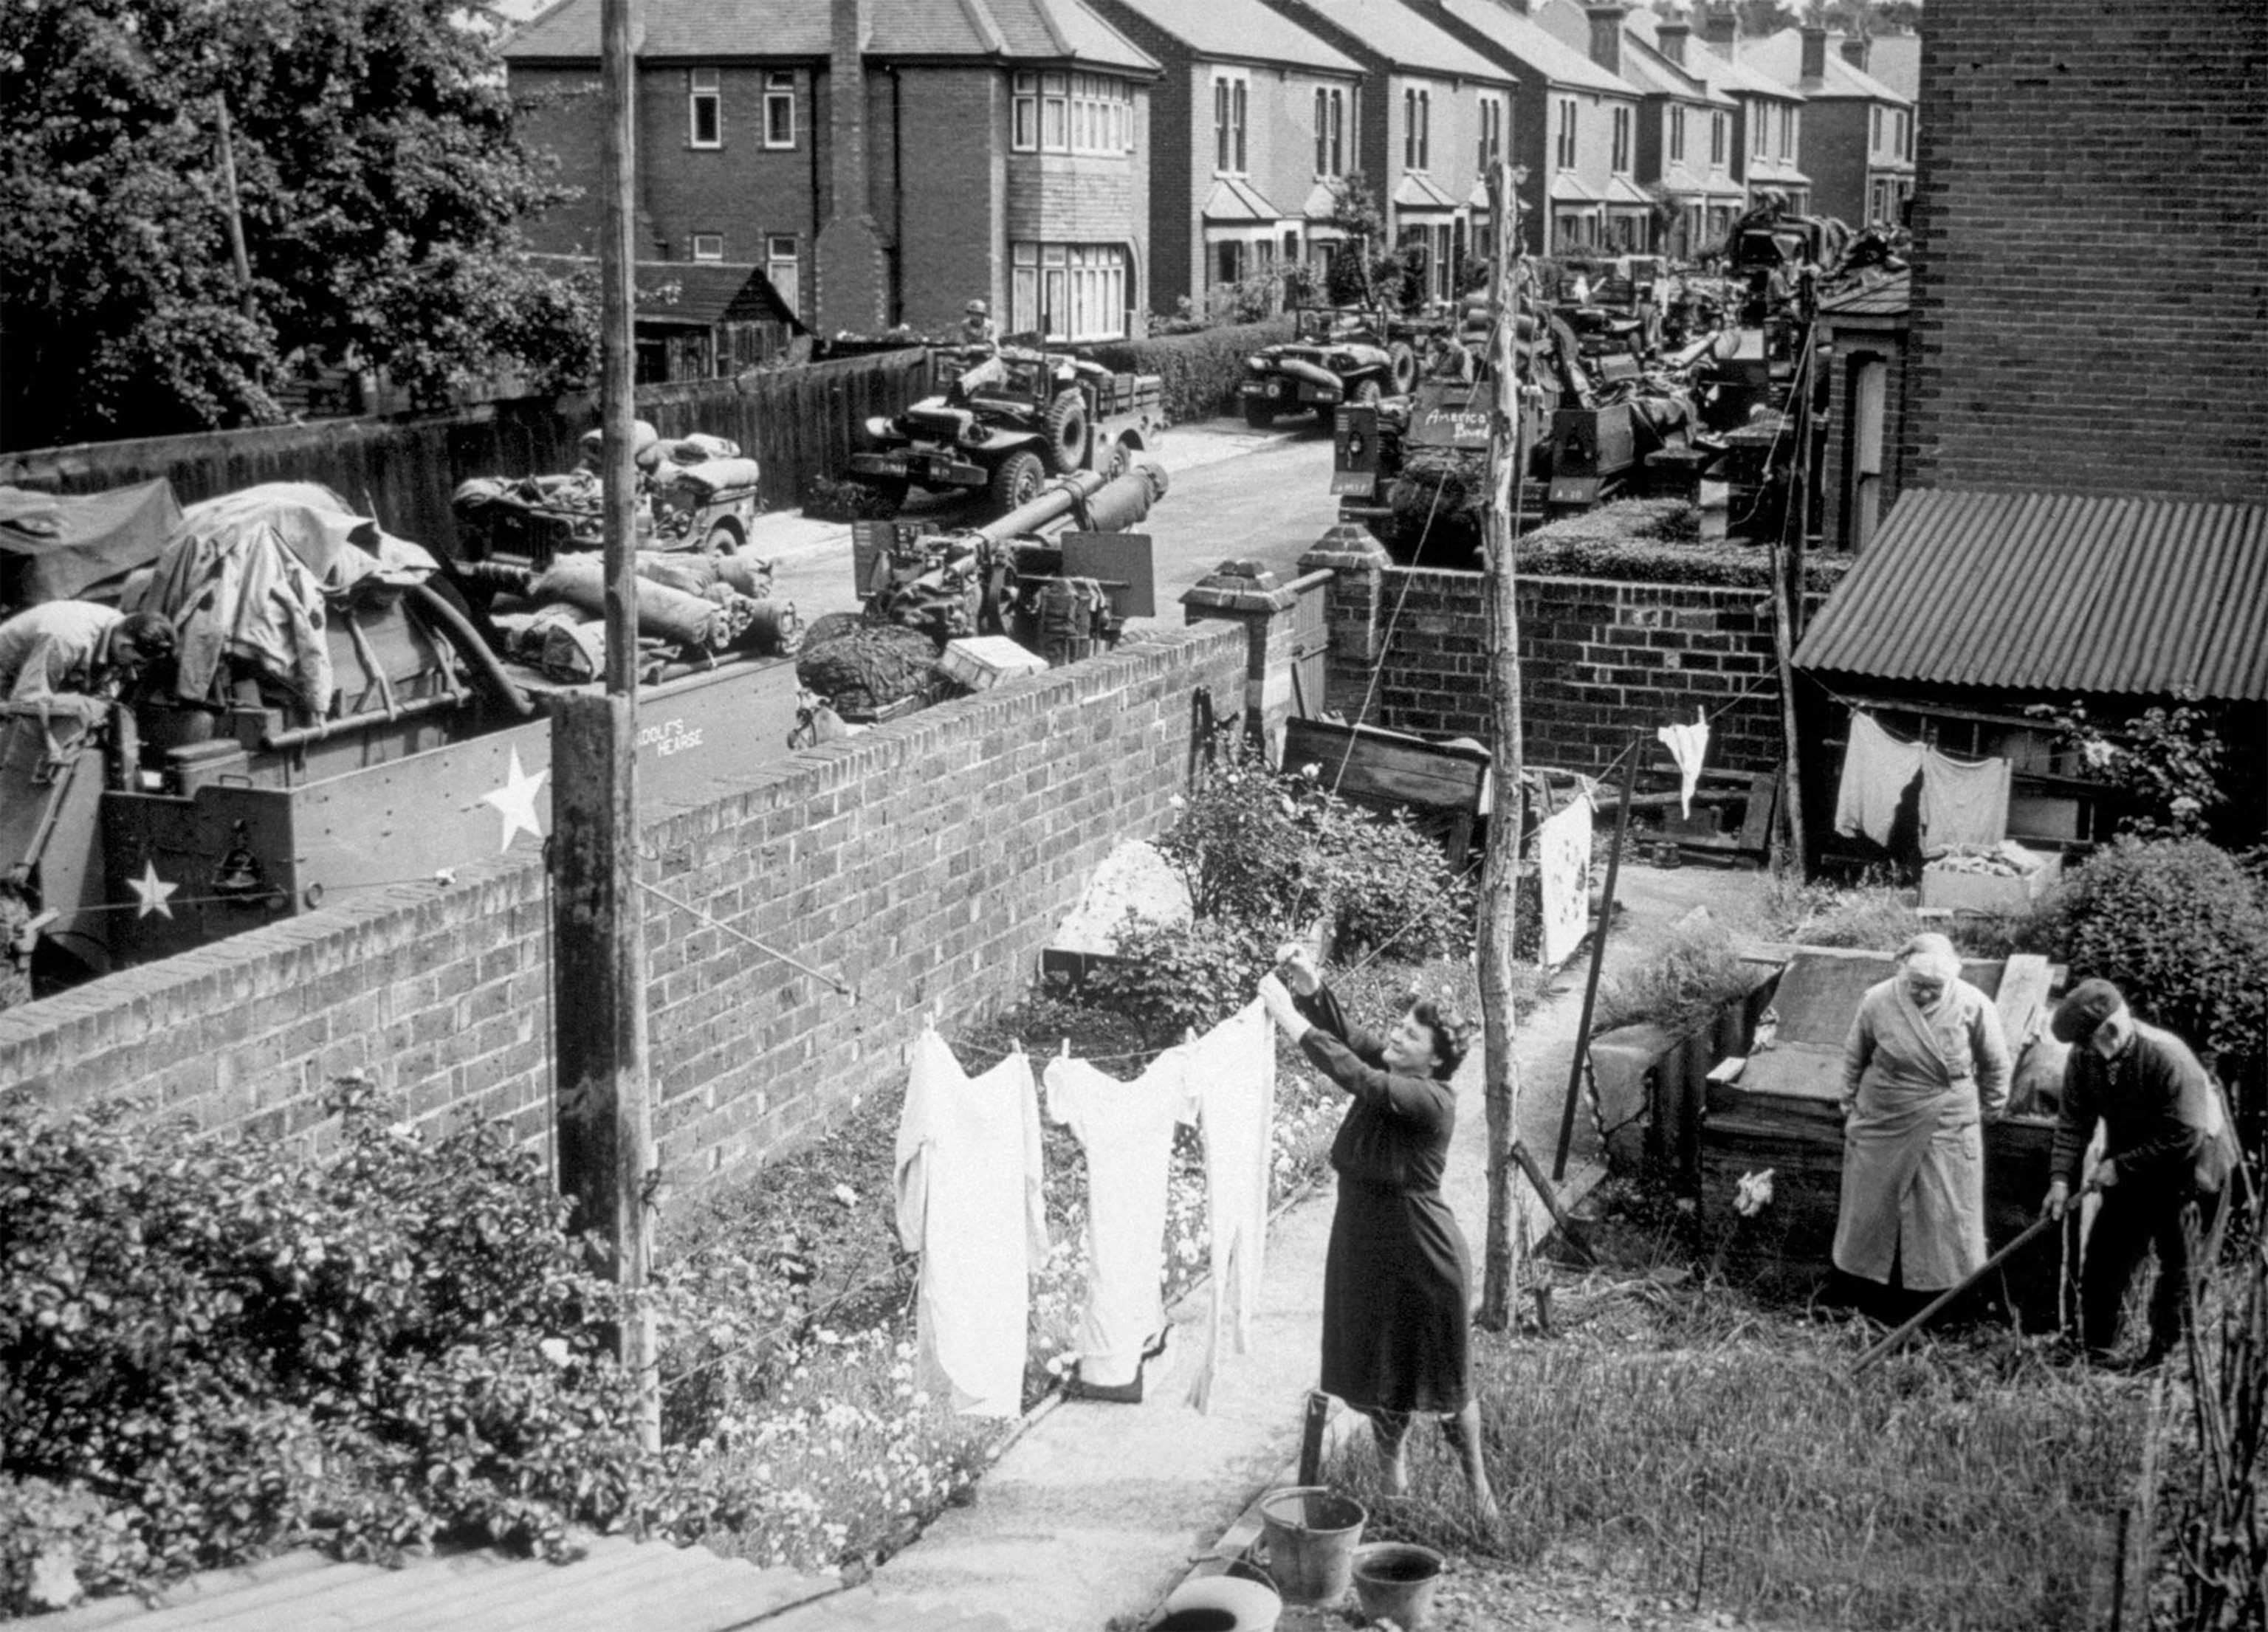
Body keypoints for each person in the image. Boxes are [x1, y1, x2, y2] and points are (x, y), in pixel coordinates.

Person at [1256, 946, 1496, 1518]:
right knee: (1386, 1378)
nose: (1396, 1034)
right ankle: (1395, 1489)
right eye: (1402, 1023)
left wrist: (1289, 1018)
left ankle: (1480, 1493)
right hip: (1370, 1247)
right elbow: (1353, 1036)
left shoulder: (1429, 1100)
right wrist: (1312, 989)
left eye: (1411, 1034)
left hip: (1422, 1253)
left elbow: (1357, 1074)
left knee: (1448, 1380)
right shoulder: (1400, 1068)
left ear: (1433, 1061)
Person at [2041, 978, 2238, 1369]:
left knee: (2179, 1270)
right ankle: (2097, 1353)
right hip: (2134, 1163)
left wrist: (2121, 1166)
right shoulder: (2085, 1057)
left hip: (2193, 1169)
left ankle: (2161, 1361)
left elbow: (2186, 1135)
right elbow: (2073, 1122)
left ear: (2113, 1029)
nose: (2085, 1052)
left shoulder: (2168, 1057)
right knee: (2104, 1260)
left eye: (2091, 1041)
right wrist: (2061, 1179)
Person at [1833, 932, 2011, 1321]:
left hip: (1947, 1119)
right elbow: (1855, 1052)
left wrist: (1993, 1106)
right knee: (1872, 1210)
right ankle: (1868, 1301)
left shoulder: (1973, 1003)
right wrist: (1848, 1099)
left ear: (1950, 981)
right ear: (1903, 975)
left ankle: (1943, 1309)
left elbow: (1996, 1061)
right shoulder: (1878, 999)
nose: (1925, 995)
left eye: (1934, 988)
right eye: (1917, 987)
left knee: (1944, 1212)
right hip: (1884, 1114)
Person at [0, 602, 176, 723]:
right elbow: (26, 702)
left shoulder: (120, 630)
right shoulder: (68, 639)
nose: (133, 673)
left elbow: (101, 697)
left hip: (35, 673)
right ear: (126, 646)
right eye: (136, 662)